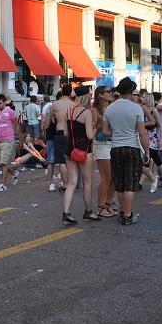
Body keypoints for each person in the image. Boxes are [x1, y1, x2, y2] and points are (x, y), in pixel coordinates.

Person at [102, 77, 149, 225]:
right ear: (131, 92)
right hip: (132, 148)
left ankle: (123, 212)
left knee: (120, 182)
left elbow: (105, 131)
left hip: (115, 149)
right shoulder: (136, 108)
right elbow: (142, 133)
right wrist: (147, 151)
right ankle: (128, 215)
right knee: (130, 183)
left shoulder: (109, 108)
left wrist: (117, 132)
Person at [62, 86, 99, 224]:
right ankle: (88, 212)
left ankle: (66, 213)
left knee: (72, 182)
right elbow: (90, 136)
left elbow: (66, 133)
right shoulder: (86, 113)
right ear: (86, 97)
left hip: (69, 150)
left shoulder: (69, 111)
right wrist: (95, 129)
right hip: (83, 150)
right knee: (88, 181)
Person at [92, 86, 115, 218]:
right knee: (106, 178)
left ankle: (108, 204)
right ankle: (100, 208)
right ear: (100, 95)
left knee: (114, 178)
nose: (111, 94)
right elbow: (92, 127)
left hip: (113, 143)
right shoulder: (94, 110)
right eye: (108, 92)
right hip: (101, 144)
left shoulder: (112, 108)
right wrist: (102, 125)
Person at [45, 86, 75, 192]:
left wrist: (53, 118)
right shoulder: (73, 105)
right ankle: (71, 183)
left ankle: (66, 184)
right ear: (70, 92)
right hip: (70, 134)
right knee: (70, 160)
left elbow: (50, 120)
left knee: (61, 161)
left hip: (59, 133)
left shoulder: (55, 104)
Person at [0, 94, 19, 192]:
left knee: (4, 162)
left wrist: (20, 137)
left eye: (0, 103)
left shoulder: (10, 112)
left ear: (5, 102)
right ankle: (14, 173)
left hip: (8, 140)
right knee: (0, 164)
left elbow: (16, 124)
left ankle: (3, 185)